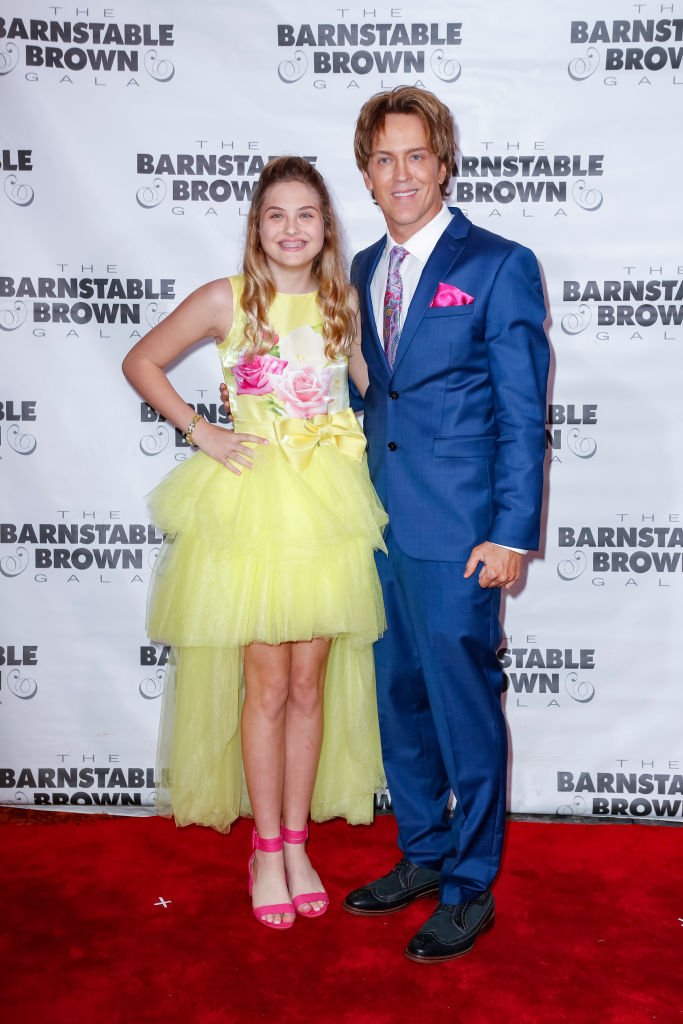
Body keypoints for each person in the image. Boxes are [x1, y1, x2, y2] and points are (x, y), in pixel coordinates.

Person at [122, 156, 387, 930]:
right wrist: (201, 431)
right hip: (255, 513)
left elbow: (378, 387)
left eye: (307, 214)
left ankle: (299, 843)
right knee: (265, 688)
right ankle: (265, 850)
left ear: (326, 226)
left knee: (309, 686)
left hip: (326, 515)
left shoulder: (344, 301)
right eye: (276, 214)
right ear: (255, 226)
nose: (292, 228)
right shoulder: (225, 300)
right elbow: (142, 361)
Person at [340, 87, 550, 963]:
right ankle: (423, 855)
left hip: (462, 537)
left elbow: (520, 412)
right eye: (382, 159)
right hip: (374, 529)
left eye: (415, 156)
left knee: (464, 712)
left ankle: (469, 887)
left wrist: (508, 534)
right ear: (365, 172)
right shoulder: (357, 269)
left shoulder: (499, 264)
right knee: (398, 706)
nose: (400, 175)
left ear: (443, 161)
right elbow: (369, 396)